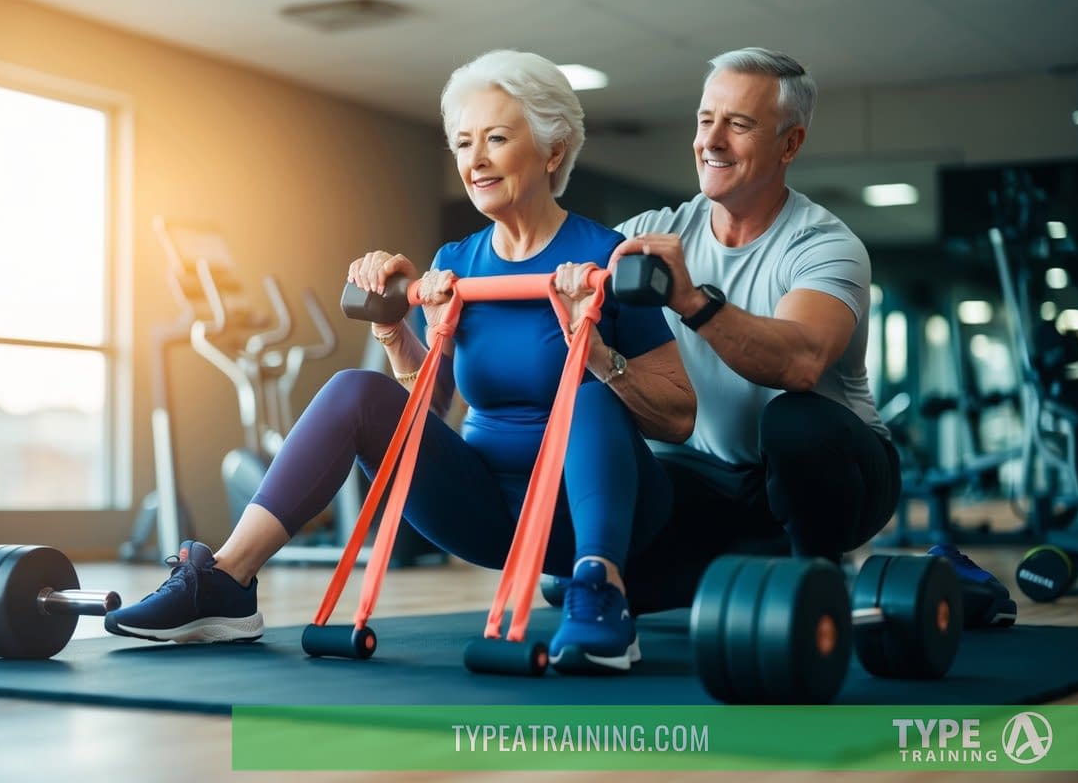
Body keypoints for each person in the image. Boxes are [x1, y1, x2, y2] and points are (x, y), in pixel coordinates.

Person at [106, 50, 696, 673]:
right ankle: (225, 581)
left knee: (585, 393)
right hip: (487, 512)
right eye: (464, 143)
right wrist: (396, 328)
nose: (476, 158)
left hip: (595, 513)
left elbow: (678, 417)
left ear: (554, 151)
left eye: (497, 138)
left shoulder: (605, 256)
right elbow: (429, 405)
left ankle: (602, 595)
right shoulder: (459, 261)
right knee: (354, 390)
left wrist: (596, 349)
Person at [606, 46, 1015, 626]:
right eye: (705, 120)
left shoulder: (825, 244)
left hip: (836, 474)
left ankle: (826, 574)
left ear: (790, 144)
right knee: (588, 581)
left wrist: (691, 300)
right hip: (709, 480)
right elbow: (555, 266)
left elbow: (799, 362)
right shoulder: (654, 231)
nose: (712, 140)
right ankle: (803, 578)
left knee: (794, 419)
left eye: (739, 124)